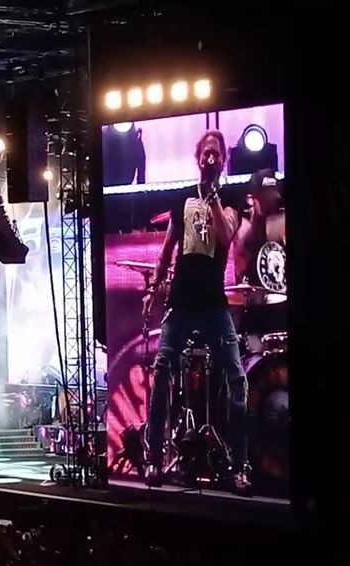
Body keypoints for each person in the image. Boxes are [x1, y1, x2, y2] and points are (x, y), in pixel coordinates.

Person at [141, 129, 251, 493]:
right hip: (182, 302)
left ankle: (239, 465)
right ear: (197, 157)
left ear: (223, 161)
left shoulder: (231, 198)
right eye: (206, 152)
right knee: (160, 376)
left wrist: (215, 198)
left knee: (237, 379)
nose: (211, 158)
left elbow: (225, 235)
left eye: (216, 153)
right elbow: (167, 248)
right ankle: (153, 458)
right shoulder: (181, 199)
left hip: (213, 305)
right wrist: (154, 289)